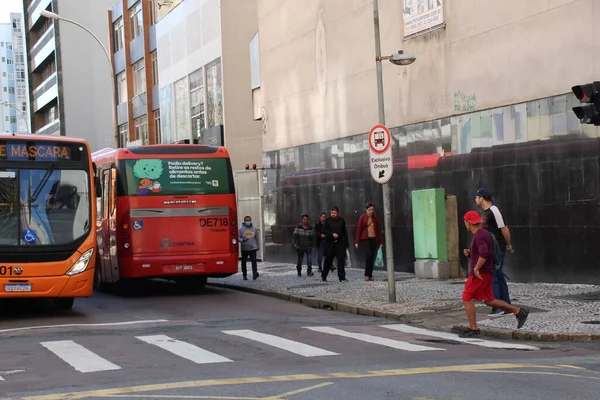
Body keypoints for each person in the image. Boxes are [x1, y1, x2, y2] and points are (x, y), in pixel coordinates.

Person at [460, 211, 529, 338]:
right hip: (488, 271)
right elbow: (483, 252)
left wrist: (476, 268)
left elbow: (485, 254)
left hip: (480, 273)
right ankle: (518, 311)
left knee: (467, 297)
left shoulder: (479, 236)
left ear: (468, 223)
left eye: (465, 222)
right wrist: (471, 253)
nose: (465, 224)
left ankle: (473, 329)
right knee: (489, 300)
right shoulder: (484, 234)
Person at [475, 188, 513, 317]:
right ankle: (506, 305)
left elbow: (504, 229)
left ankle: (498, 307)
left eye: (477, 197)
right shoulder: (486, 213)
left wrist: (508, 245)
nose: (475, 200)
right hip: (492, 248)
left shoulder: (494, 211)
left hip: (496, 249)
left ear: (482, 198)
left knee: (494, 277)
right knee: (498, 276)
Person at [354, 202, 383, 281]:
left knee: (372, 257)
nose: (371, 211)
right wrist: (357, 242)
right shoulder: (362, 218)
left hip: (373, 239)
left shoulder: (375, 219)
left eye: (372, 210)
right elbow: (359, 229)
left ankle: (370, 275)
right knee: (368, 255)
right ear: (366, 210)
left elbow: (378, 231)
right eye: (369, 210)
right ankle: (366, 275)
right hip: (365, 239)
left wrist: (380, 242)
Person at [321, 206, 349, 282]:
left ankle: (342, 277)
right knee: (328, 261)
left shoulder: (341, 220)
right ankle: (324, 276)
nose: (333, 214)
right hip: (330, 243)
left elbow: (344, 233)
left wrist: (346, 244)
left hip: (340, 243)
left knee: (341, 261)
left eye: (335, 213)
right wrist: (332, 234)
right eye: (332, 213)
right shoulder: (328, 221)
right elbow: (324, 230)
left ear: (338, 213)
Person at [239, 216, 259, 280]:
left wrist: (257, 246)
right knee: (244, 262)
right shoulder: (240, 229)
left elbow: (257, 238)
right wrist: (242, 240)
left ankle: (254, 274)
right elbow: (237, 237)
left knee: (253, 261)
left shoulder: (254, 229)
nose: (248, 222)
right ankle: (244, 275)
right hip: (244, 248)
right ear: (244, 221)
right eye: (247, 220)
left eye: (249, 220)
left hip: (253, 248)